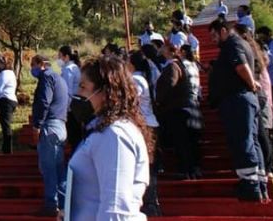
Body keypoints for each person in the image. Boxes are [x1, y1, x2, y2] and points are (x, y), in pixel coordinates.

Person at [62, 55, 151, 221]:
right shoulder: (100, 131)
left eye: (83, 87)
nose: (77, 94)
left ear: (105, 92)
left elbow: (116, 210)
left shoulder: (114, 135)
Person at [207, 19, 267, 201]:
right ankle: (259, 182)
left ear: (223, 31)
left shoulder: (232, 45)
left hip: (237, 99)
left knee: (242, 140)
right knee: (252, 141)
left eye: (214, 35)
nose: (213, 40)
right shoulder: (241, 43)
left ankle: (250, 184)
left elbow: (241, 66)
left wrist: (251, 84)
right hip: (243, 98)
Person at [30, 55, 69, 217]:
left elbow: (44, 101)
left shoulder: (46, 77)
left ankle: (51, 204)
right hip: (61, 125)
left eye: (33, 65)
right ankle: (64, 204)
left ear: (40, 64)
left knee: (49, 169)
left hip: (50, 126)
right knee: (59, 169)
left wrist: (37, 125)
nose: (31, 69)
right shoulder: (59, 79)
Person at [156, 43, 201, 180]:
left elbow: (169, 84)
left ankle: (186, 170)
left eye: (164, 47)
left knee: (182, 141)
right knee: (189, 142)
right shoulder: (181, 65)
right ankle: (193, 169)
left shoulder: (173, 66)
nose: (161, 49)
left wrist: (159, 100)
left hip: (179, 110)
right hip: (188, 107)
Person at [238, 25, 273, 177]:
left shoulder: (250, 52)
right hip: (259, 94)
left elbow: (257, 73)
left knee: (261, 132)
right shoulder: (251, 51)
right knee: (259, 132)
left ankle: (268, 167)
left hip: (258, 94)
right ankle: (266, 167)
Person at [129, 51, 162, 217]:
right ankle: (152, 201)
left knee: (145, 166)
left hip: (144, 125)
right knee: (150, 166)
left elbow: (131, 101)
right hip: (150, 123)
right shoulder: (144, 78)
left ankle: (150, 202)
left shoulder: (136, 79)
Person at [0, 56, 17, 154]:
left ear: (4, 64)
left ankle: (7, 150)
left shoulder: (5, 74)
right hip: (9, 100)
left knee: (5, 125)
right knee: (5, 124)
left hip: (5, 101)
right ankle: (6, 148)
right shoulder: (10, 73)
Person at [58, 45, 83, 151]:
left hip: (71, 107)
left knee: (74, 138)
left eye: (60, 56)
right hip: (76, 105)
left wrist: (65, 109)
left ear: (66, 57)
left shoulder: (68, 70)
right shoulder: (74, 67)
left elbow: (67, 91)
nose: (58, 59)